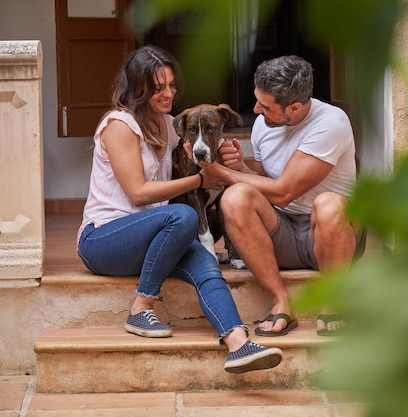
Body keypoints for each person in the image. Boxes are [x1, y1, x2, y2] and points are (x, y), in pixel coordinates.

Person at [76, 45, 282, 373]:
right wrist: (199, 181)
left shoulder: (172, 126)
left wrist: (227, 157)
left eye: (172, 85)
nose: (168, 93)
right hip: (103, 240)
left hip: (155, 240)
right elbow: (139, 193)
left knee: (206, 264)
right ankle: (141, 307)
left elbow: (201, 156)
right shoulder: (119, 124)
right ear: (137, 88)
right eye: (158, 88)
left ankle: (239, 344)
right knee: (183, 215)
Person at [199, 55, 366, 337]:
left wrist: (219, 172)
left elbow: (284, 191)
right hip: (283, 233)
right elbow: (264, 178)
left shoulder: (331, 123)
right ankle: (281, 299)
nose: (255, 109)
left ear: (295, 107)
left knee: (329, 204)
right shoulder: (267, 124)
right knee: (235, 197)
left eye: (264, 106)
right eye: (257, 100)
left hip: (330, 236)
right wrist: (240, 166)